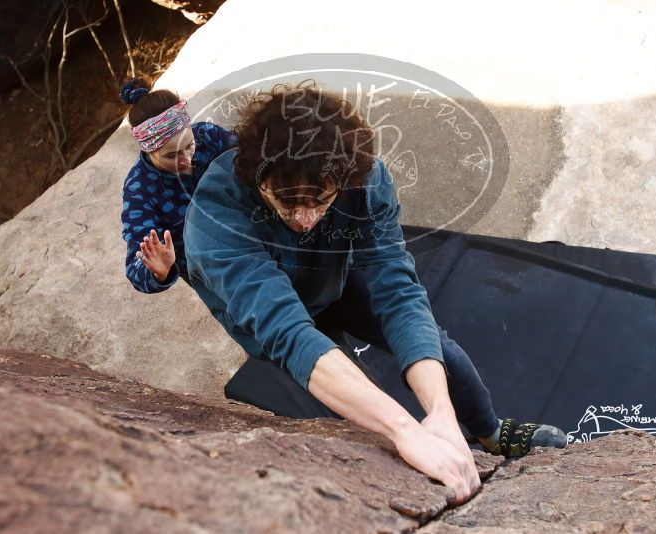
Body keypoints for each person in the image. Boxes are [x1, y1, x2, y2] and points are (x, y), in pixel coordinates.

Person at [182, 80, 567, 505]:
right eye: (287, 204)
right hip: (269, 316)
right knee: (353, 416)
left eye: (321, 201)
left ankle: (488, 432)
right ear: (257, 177)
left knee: (442, 351)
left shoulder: (363, 180)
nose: (305, 219)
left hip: (335, 280)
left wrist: (439, 414)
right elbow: (288, 331)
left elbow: (398, 291)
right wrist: (405, 430)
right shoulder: (214, 217)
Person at [119, 78, 238, 293]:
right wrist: (158, 271)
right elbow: (137, 263)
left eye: (189, 145)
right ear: (148, 150)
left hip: (258, 238)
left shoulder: (207, 135)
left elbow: (255, 157)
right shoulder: (139, 191)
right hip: (215, 278)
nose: (186, 160)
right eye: (171, 155)